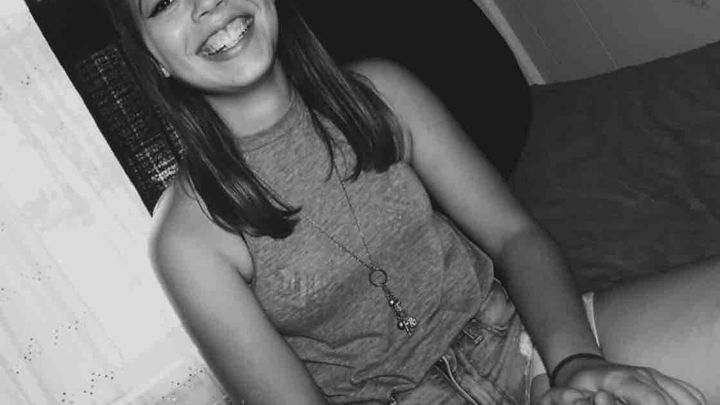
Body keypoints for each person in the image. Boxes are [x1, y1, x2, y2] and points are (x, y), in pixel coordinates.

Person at [104, 0, 719, 403]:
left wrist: (575, 364)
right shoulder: (185, 240)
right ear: (151, 56)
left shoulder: (382, 90)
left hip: (522, 341)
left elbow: (514, 236)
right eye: (163, 2)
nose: (205, 3)